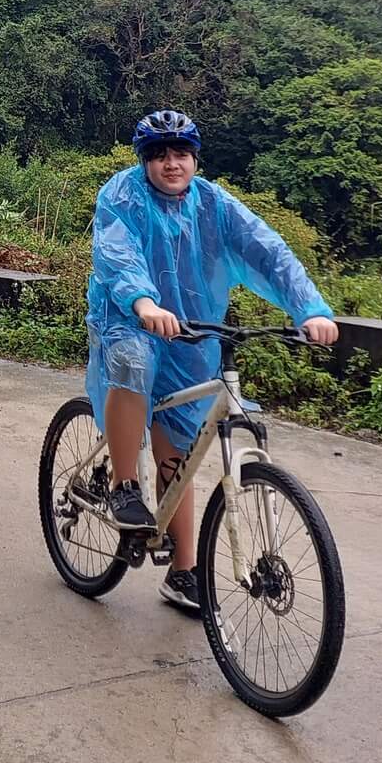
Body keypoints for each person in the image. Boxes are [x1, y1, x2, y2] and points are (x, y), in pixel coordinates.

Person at [87, 109, 339, 616]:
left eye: (181, 153)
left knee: (178, 452)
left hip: (191, 332)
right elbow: (118, 254)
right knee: (134, 362)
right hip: (128, 318)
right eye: (160, 155)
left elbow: (269, 252)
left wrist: (310, 309)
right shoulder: (122, 194)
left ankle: (183, 572)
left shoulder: (215, 205)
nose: (171, 163)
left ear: (195, 159)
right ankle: (123, 485)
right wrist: (143, 302)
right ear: (144, 161)